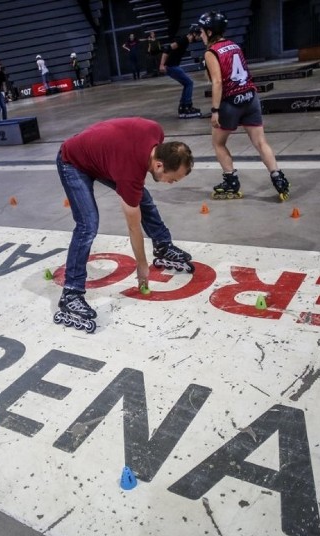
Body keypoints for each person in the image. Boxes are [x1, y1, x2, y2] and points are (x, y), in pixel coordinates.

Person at [54, 117, 195, 331]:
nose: (171, 183)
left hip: (104, 157)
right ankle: (71, 294)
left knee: (143, 199)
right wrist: (142, 266)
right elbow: (133, 227)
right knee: (88, 225)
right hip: (73, 161)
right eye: (172, 179)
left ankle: (163, 246)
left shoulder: (156, 132)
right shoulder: (130, 172)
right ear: (158, 164)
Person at [197, 11, 290, 201]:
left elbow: (216, 82)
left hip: (231, 102)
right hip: (250, 97)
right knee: (260, 142)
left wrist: (214, 111)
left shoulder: (210, 52)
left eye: (201, 32)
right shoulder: (234, 45)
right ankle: (279, 179)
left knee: (218, 143)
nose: (199, 35)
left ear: (209, 31)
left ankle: (231, 182)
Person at [160, 26, 204, 118]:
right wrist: (162, 64)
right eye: (199, 35)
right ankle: (187, 107)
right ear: (194, 34)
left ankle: (183, 107)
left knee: (187, 84)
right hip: (171, 66)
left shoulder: (185, 41)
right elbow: (167, 48)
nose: (200, 37)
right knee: (189, 83)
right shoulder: (183, 40)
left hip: (173, 66)